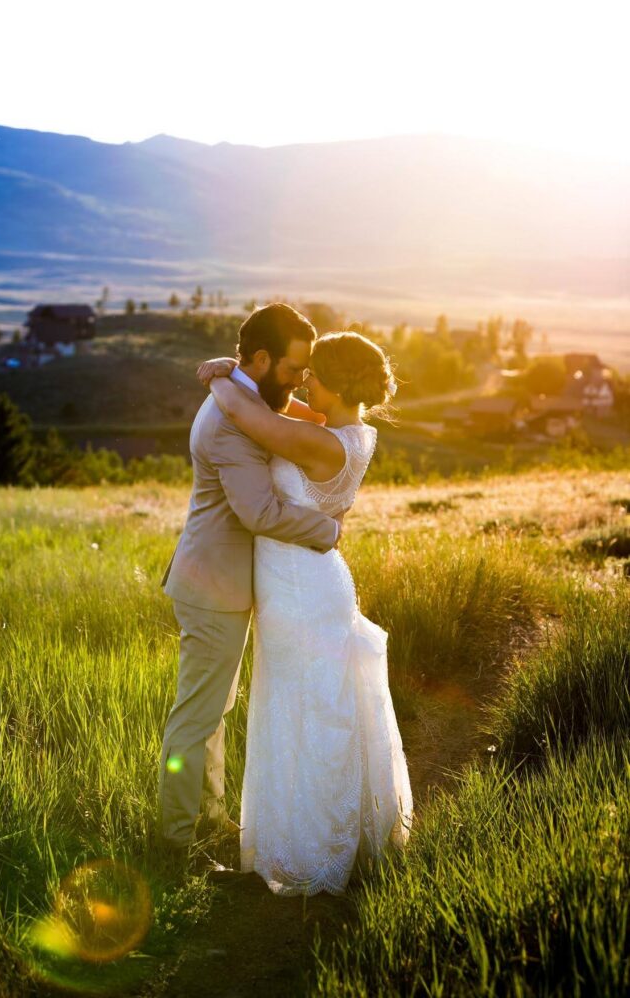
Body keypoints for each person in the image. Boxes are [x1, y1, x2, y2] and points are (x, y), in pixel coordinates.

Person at [197, 329, 413, 896]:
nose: (303, 380)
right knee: (305, 706)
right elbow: (279, 408)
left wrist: (222, 375)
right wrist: (237, 371)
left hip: (299, 589)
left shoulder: (324, 444)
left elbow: (253, 415)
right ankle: (316, 835)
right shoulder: (346, 432)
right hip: (305, 583)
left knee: (305, 710)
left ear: (336, 383)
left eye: (313, 373)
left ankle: (310, 849)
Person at [159, 304, 342, 863]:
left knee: (214, 711)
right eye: (291, 370)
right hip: (213, 587)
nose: (297, 382)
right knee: (196, 718)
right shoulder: (229, 423)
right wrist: (327, 529)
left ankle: (208, 819)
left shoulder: (241, 394)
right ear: (260, 360)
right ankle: (176, 843)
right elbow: (259, 512)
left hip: (219, 583)